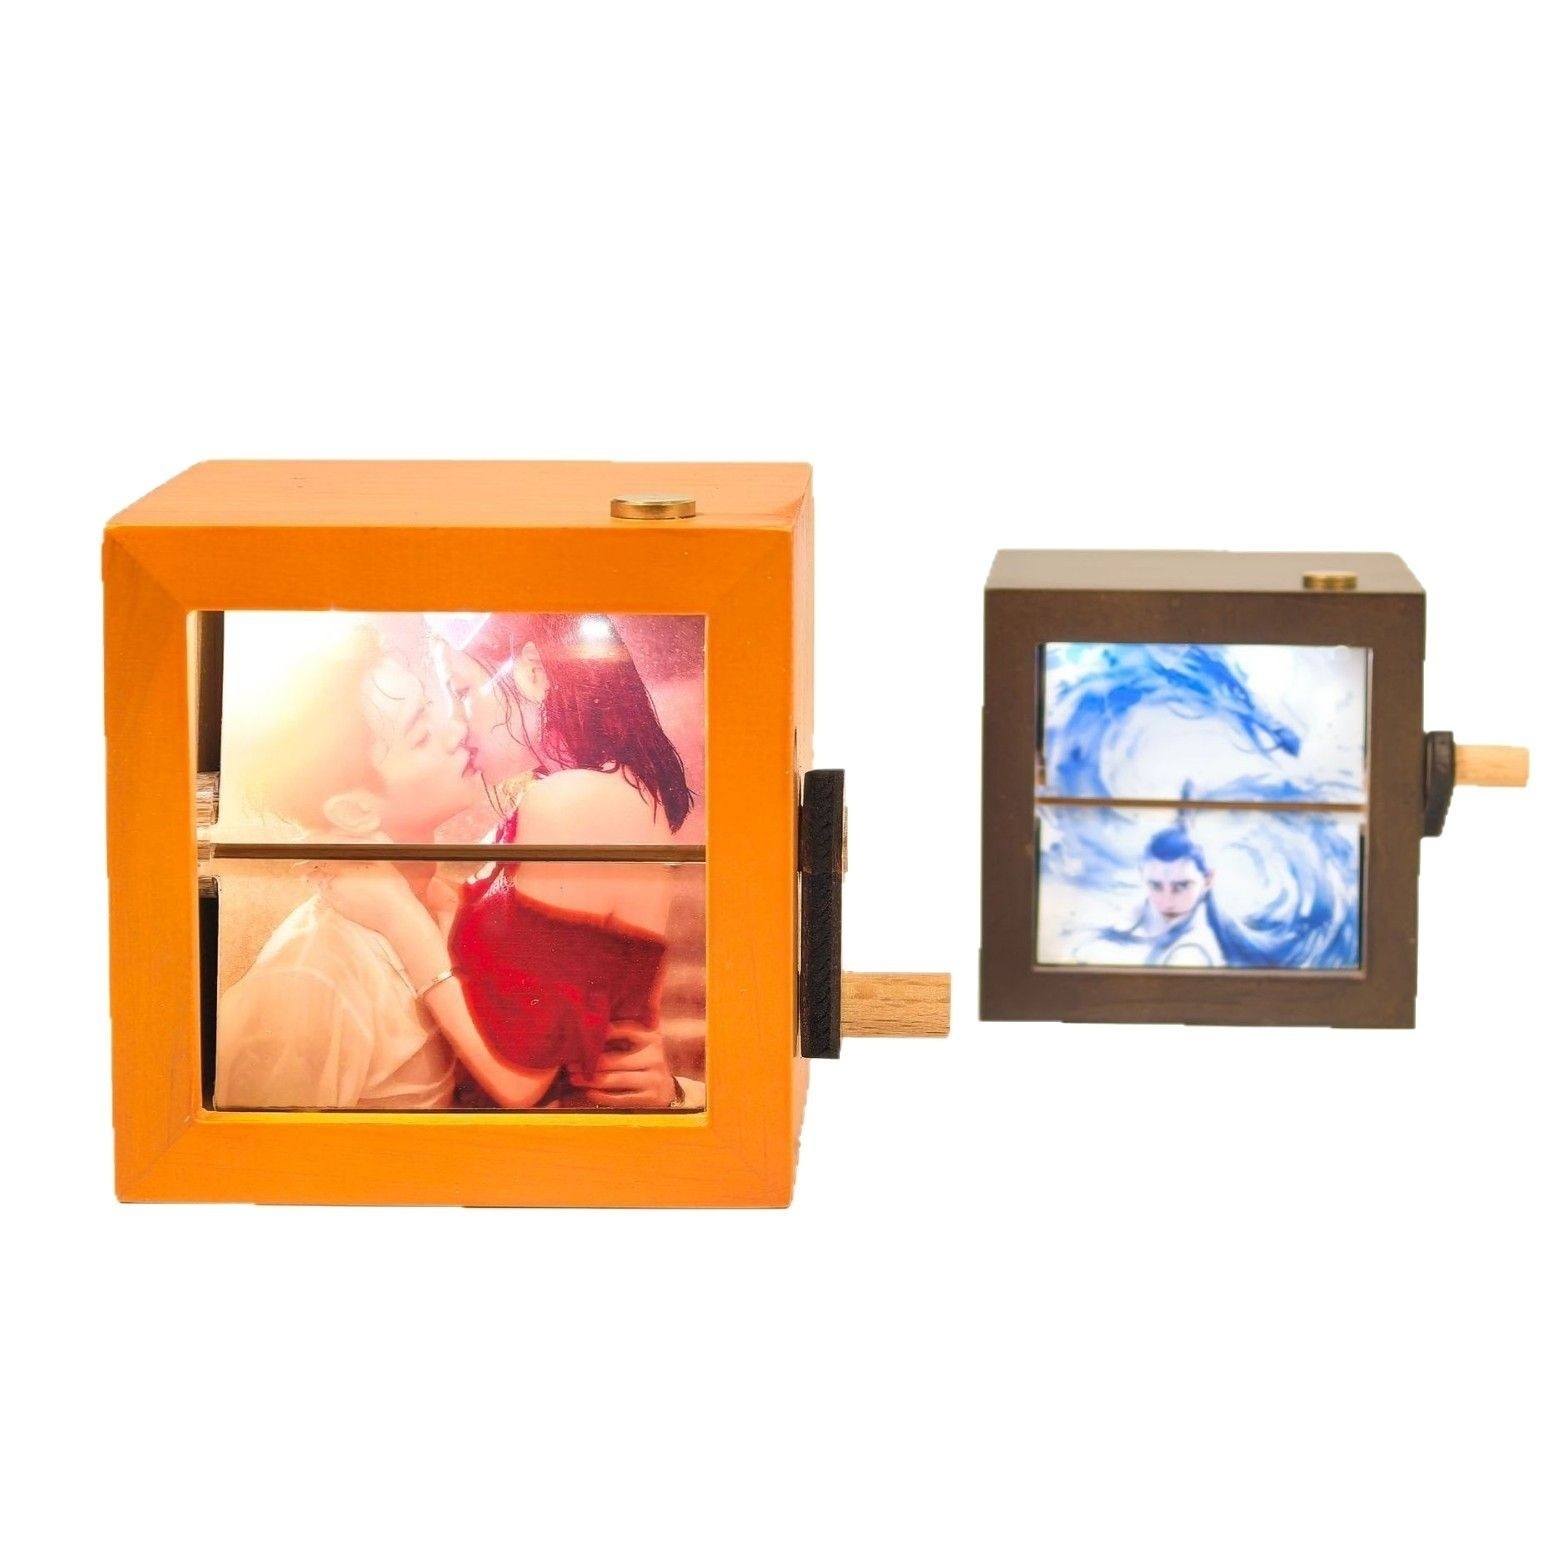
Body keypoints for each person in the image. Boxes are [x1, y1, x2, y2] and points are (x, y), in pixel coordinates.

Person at [216, 625, 670, 1109]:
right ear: (354, 811)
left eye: (436, 704)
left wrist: (665, 1092)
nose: (457, 729)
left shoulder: (459, 900)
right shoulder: (309, 979)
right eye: (421, 733)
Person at [427, 612, 701, 1107]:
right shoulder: (597, 790)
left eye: (462, 690)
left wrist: (405, 930)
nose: (454, 722)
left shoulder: (573, 801)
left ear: (532, 670)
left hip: (551, 1129)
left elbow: (521, 1083)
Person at [1108, 824, 1225, 968]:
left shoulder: (1193, 953)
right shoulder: (1125, 917)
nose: (1166, 902)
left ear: (1208, 880)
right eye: (1155, 885)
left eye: (1182, 886)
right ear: (1141, 875)